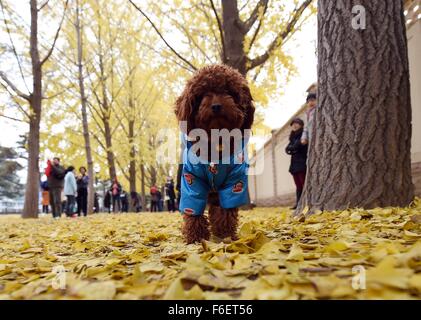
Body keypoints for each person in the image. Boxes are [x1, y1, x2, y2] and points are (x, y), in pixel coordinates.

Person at [286, 118, 308, 209]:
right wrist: (293, 149)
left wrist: (293, 148)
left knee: (303, 184)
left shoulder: (303, 134)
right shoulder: (292, 136)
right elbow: (287, 149)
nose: (294, 125)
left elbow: (297, 146)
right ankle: (298, 203)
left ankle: (305, 202)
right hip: (294, 164)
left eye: (297, 123)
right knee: (298, 185)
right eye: (293, 124)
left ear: (301, 125)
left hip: (302, 162)